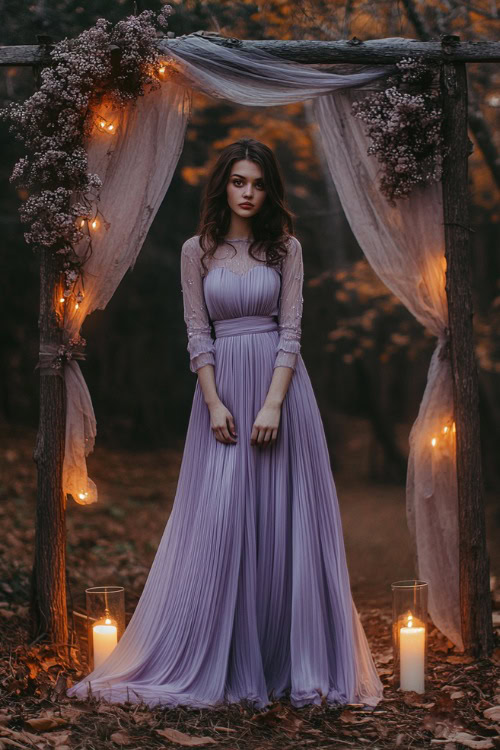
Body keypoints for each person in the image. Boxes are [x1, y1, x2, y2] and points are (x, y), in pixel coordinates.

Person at [66, 137, 384, 710]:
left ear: (270, 191)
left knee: (287, 524)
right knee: (221, 520)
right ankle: (224, 658)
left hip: (281, 392)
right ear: (223, 186)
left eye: (259, 184)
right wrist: (214, 403)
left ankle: (292, 660)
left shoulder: (286, 249)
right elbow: (197, 333)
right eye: (239, 181)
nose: (249, 192)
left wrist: (272, 403)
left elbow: (291, 330)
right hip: (219, 396)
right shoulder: (198, 250)